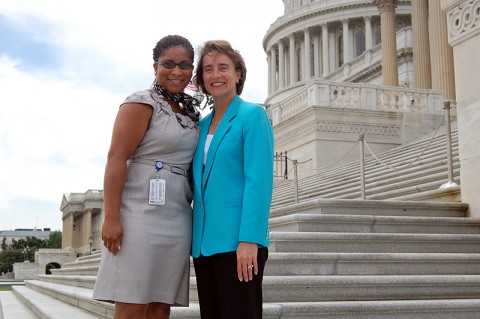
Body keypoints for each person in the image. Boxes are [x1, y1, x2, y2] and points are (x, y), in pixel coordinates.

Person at [92, 34, 200, 319]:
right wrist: (112, 217)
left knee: (159, 306)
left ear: (192, 70)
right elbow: (116, 159)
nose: (177, 71)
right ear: (155, 67)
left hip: (177, 216)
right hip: (138, 213)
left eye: (184, 65)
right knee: (131, 303)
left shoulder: (191, 113)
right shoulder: (141, 102)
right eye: (169, 64)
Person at [191, 40, 274, 319]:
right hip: (204, 245)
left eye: (223, 67)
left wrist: (250, 239)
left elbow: (258, 182)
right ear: (202, 79)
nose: (216, 75)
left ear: (238, 74)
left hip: (239, 244)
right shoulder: (201, 125)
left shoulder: (253, 116)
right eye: (208, 69)